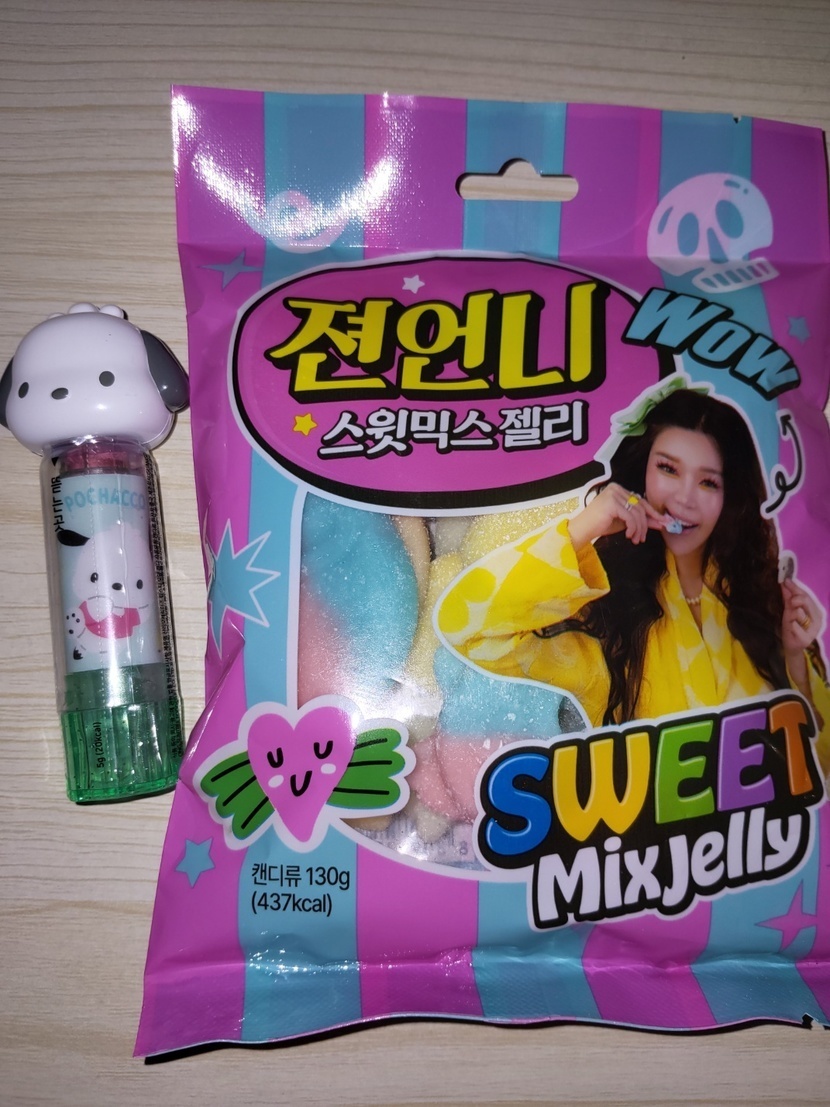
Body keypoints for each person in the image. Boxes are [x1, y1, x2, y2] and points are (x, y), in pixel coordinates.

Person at [436, 379, 830, 776]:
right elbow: (465, 627)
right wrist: (580, 530)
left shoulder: (762, 603)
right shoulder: (606, 616)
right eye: (668, 469)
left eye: (708, 482)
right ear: (642, 471)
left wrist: (794, 659)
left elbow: (822, 762)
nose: (684, 498)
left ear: (731, 496)